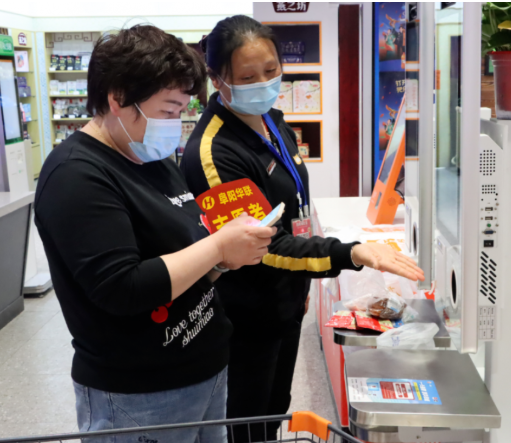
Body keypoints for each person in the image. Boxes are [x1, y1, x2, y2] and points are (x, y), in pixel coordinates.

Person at [180, 15, 424, 443]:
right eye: (248, 77)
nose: (264, 83)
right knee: (246, 422)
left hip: (285, 300)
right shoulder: (213, 152)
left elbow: (293, 206)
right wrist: (351, 252)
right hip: (245, 315)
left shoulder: (271, 120)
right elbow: (261, 246)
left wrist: (301, 287)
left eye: (271, 70)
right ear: (218, 80)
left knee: (274, 408)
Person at [34, 25, 276, 443]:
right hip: (139, 393)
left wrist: (223, 259)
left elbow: (185, 253)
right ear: (117, 98)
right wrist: (218, 245)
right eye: (167, 111)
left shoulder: (151, 156)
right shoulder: (76, 176)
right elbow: (123, 287)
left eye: (182, 111)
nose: (175, 125)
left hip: (204, 367)